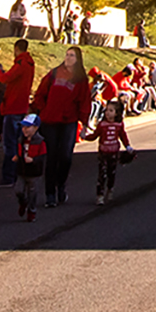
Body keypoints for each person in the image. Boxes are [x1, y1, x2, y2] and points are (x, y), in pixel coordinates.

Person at [31, 46, 92, 208]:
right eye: (67, 55)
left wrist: (84, 123)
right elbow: (41, 93)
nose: (68, 58)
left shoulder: (81, 79)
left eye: (72, 55)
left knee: (65, 156)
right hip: (50, 120)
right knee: (51, 157)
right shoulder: (54, 73)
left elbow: (84, 101)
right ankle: (50, 193)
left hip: (69, 121)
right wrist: (42, 109)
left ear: (78, 59)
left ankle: (61, 185)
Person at [0, 38, 35, 187]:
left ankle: (9, 176)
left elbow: (6, 78)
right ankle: (18, 173)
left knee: (10, 144)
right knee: (19, 143)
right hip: (21, 107)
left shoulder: (21, 64)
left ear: (16, 48)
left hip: (13, 107)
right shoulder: (30, 64)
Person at [83, 99, 134, 204]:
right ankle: (100, 195)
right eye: (107, 110)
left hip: (114, 152)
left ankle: (110, 189)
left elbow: (122, 136)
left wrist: (128, 146)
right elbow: (95, 135)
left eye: (111, 110)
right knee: (102, 173)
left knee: (112, 173)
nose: (108, 113)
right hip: (103, 152)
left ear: (117, 113)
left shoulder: (119, 125)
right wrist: (85, 137)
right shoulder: (102, 125)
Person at [13, 113, 46, 221]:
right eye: (23, 127)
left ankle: (31, 211)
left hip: (34, 172)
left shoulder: (40, 141)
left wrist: (34, 160)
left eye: (28, 127)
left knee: (33, 192)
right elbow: (20, 151)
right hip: (22, 170)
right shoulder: (20, 140)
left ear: (36, 128)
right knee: (18, 190)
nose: (24, 130)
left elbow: (43, 156)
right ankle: (23, 202)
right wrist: (17, 157)